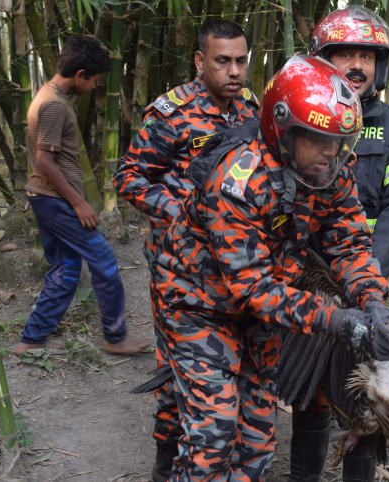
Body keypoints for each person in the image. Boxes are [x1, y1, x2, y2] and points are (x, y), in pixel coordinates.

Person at [152, 55, 389, 481]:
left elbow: (349, 244)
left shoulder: (329, 167)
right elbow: (253, 290)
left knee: (256, 440)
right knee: (213, 436)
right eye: (318, 140)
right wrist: (341, 321)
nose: (331, 153)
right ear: (283, 129)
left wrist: (374, 304)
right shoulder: (236, 183)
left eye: (339, 142)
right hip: (199, 304)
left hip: (267, 309)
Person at [113, 19, 259, 481]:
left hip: (233, 268)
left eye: (240, 61)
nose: (234, 71)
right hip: (177, 267)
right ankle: (166, 459)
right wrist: (181, 210)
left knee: (227, 368)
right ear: (200, 61)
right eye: (223, 61)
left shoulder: (253, 110)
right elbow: (129, 177)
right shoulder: (171, 113)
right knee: (177, 366)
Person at [289, 8, 389, 482]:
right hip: (304, 287)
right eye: (343, 53)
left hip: (364, 285)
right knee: (309, 396)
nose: (355, 64)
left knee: (363, 403)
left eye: (365, 55)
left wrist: (366, 287)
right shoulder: (297, 121)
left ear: (380, 65)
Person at [14, 35, 151, 357]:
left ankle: (32, 338)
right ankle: (115, 337)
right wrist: (78, 202)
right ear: (80, 75)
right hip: (55, 201)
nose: (95, 87)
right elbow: (45, 161)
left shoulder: (48, 97)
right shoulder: (53, 106)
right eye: (95, 81)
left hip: (45, 197)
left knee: (66, 268)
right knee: (104, 262)